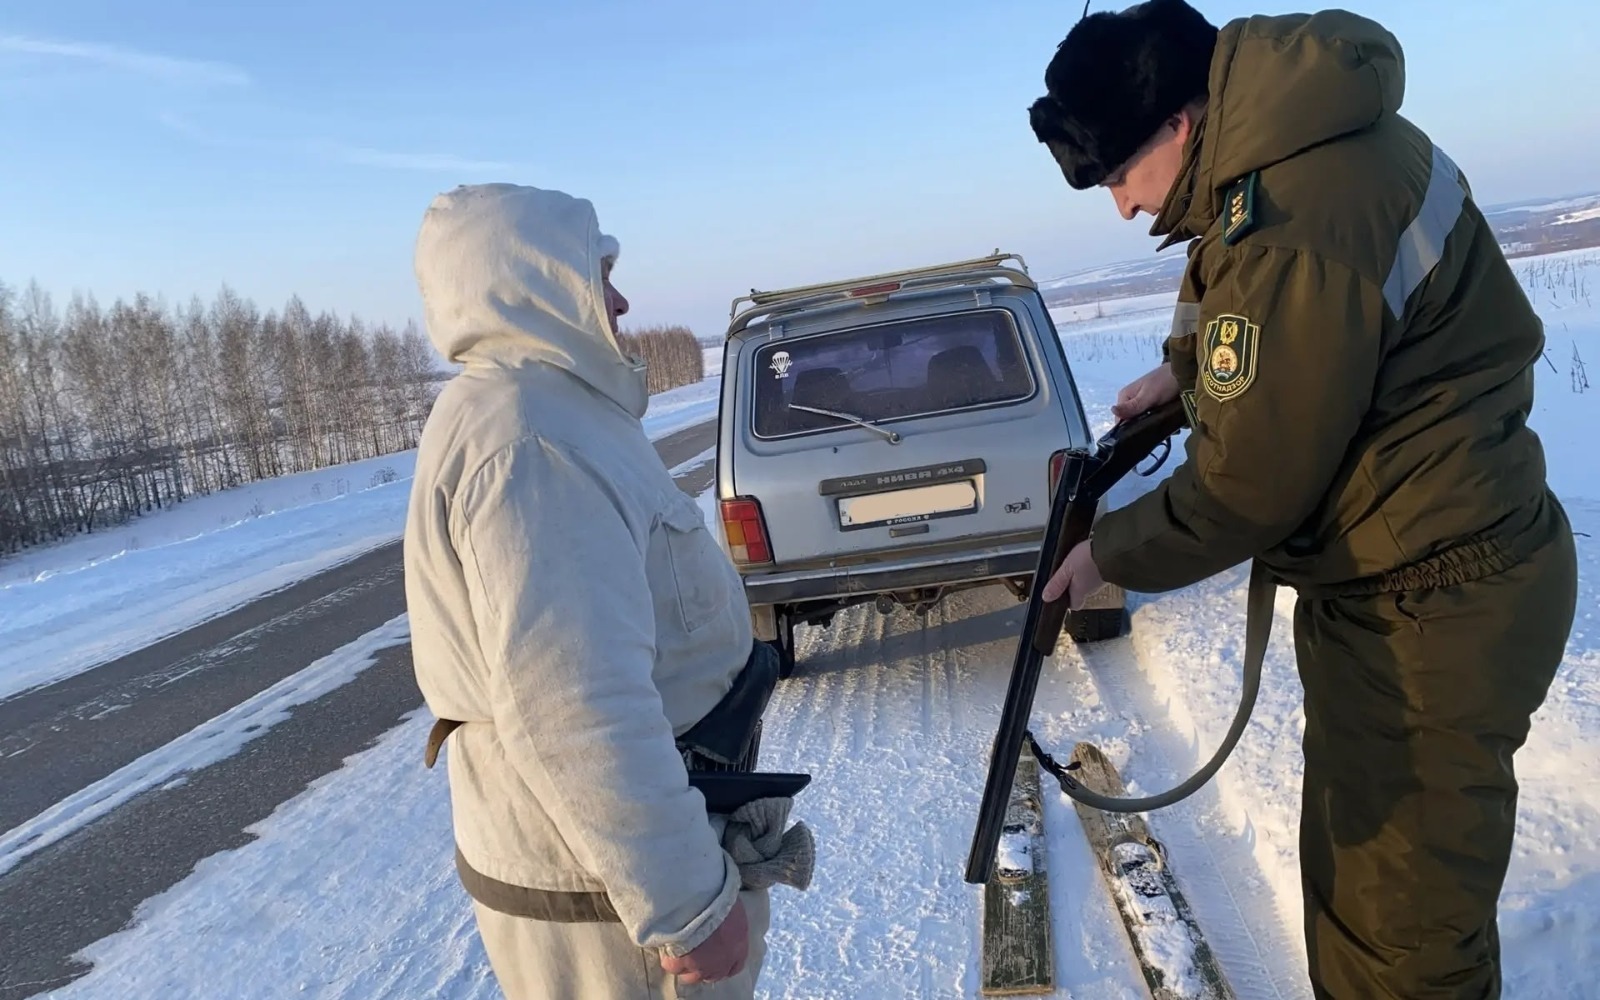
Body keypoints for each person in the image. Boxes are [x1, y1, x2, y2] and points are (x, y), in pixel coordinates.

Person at [1026, 2, 1578, 997]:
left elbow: (1250, 483)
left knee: (1401, 943)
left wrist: (1109, 552)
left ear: (1177, 126)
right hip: (1420, 569)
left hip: (1432, 599)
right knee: (1364, 893)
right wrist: (1182, 371)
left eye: (1115, 176)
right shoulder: (1294, 148)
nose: (1118, 207)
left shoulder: (1287, 215)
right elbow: (1254, 308)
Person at [402, 182, 812, 999]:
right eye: (599, 272)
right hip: (608, 911)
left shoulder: (550, 412)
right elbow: (572, 701)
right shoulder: (527, 440)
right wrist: (687, 903)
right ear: (534, 282)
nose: (620, 299)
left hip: (611, 876)